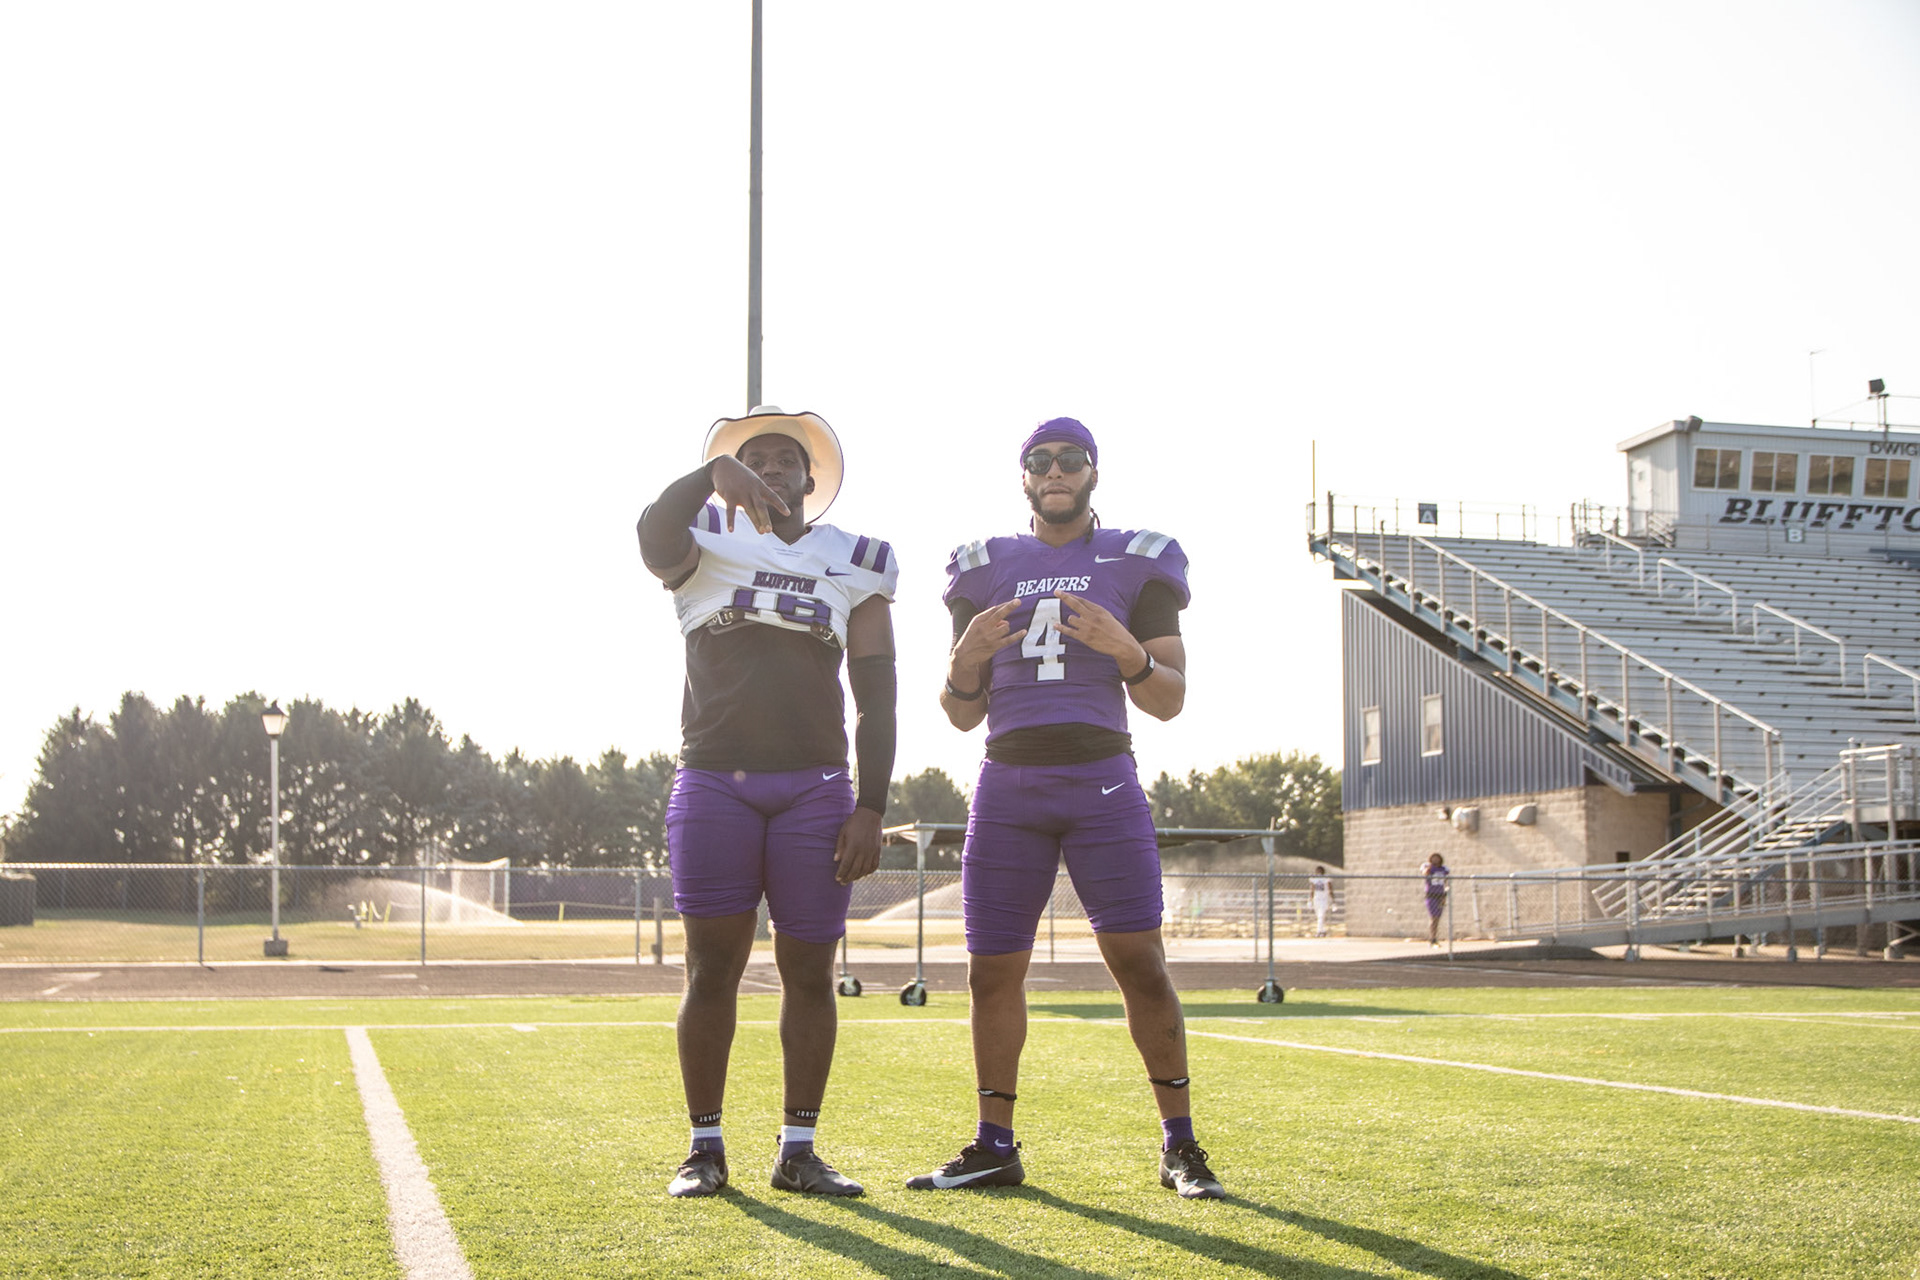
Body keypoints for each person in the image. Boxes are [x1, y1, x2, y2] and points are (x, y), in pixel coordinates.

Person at [908, 416, 1224, 1200]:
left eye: (1071, 459)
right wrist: (963, 662)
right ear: (1023, 476)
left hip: (1101, 778)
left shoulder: (1137, 558)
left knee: (1140, 963)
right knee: (991, 971)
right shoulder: (984, 565)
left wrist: (1127, 652)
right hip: (1008, 780)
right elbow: (960, 714)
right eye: (1041, 460)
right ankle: (994, 1144)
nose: (1056, 471)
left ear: (1092, 472)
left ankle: (1180, 1145)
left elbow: (1169, 700)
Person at [636, 405, 898, 1199]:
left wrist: (872, 805)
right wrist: (708, 476)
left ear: (811, 477)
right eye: (757, 456)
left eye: (788, 457)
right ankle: (704, 1148)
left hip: (815, 786)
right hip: (716, 777)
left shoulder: (857, 558)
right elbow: (652, 534)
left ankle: (799, 1149)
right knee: (710, 968)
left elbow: (877, 694)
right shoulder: (704, 535)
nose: (774, 466)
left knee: (810, 970)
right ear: (735, 472)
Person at [1423, 853, 1450, 946]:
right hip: (1431, 895)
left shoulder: (1443, 869)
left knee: (1437, 918)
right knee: (1433, 917)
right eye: (1433, 858)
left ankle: (1435, 937)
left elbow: (1446, 881)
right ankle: (1432, 938)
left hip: (1440, 895)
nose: (1435, 860)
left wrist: (1445, 895)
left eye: (1437, 858)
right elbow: (1425, 873)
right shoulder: (1428, 867)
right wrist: (1430, 867)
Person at [1309, 866, 1333, 937]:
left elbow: (1330, 889)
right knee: (1319, 916)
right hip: (1316, 899)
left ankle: (1318, 931)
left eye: (1320, 871)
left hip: (1324, 899)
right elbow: (1312, 890)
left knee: (1321, 915)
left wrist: (1332, 900)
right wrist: (1310, 900)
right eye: (1317, 871)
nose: (1319, 872)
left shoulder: (1326, 879)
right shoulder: (1314, 879)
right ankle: (1323, 931)